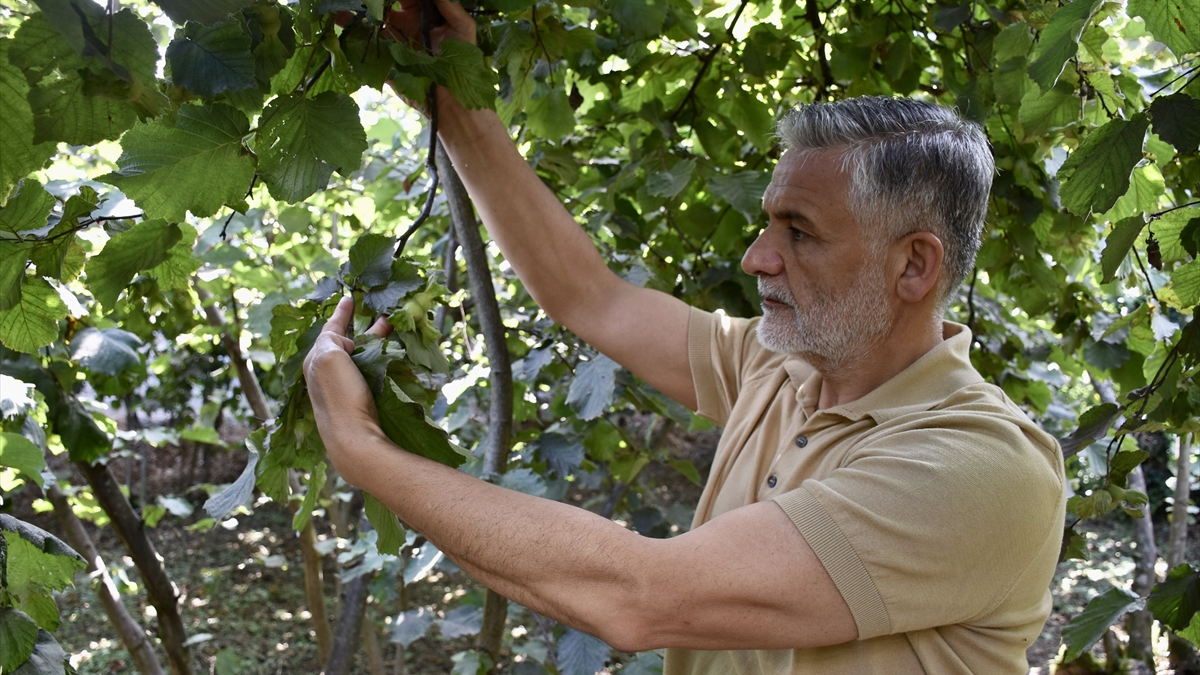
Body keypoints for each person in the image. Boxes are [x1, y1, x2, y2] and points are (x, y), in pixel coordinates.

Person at [304, 2, 1067, 672]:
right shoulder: (784, 364)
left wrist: (364, 451)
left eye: (799, 232)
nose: (757, 256)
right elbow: (588, 295)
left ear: (914, 265)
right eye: (769, 220)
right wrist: (452, 95)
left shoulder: (980, 464)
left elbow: (640, 594)